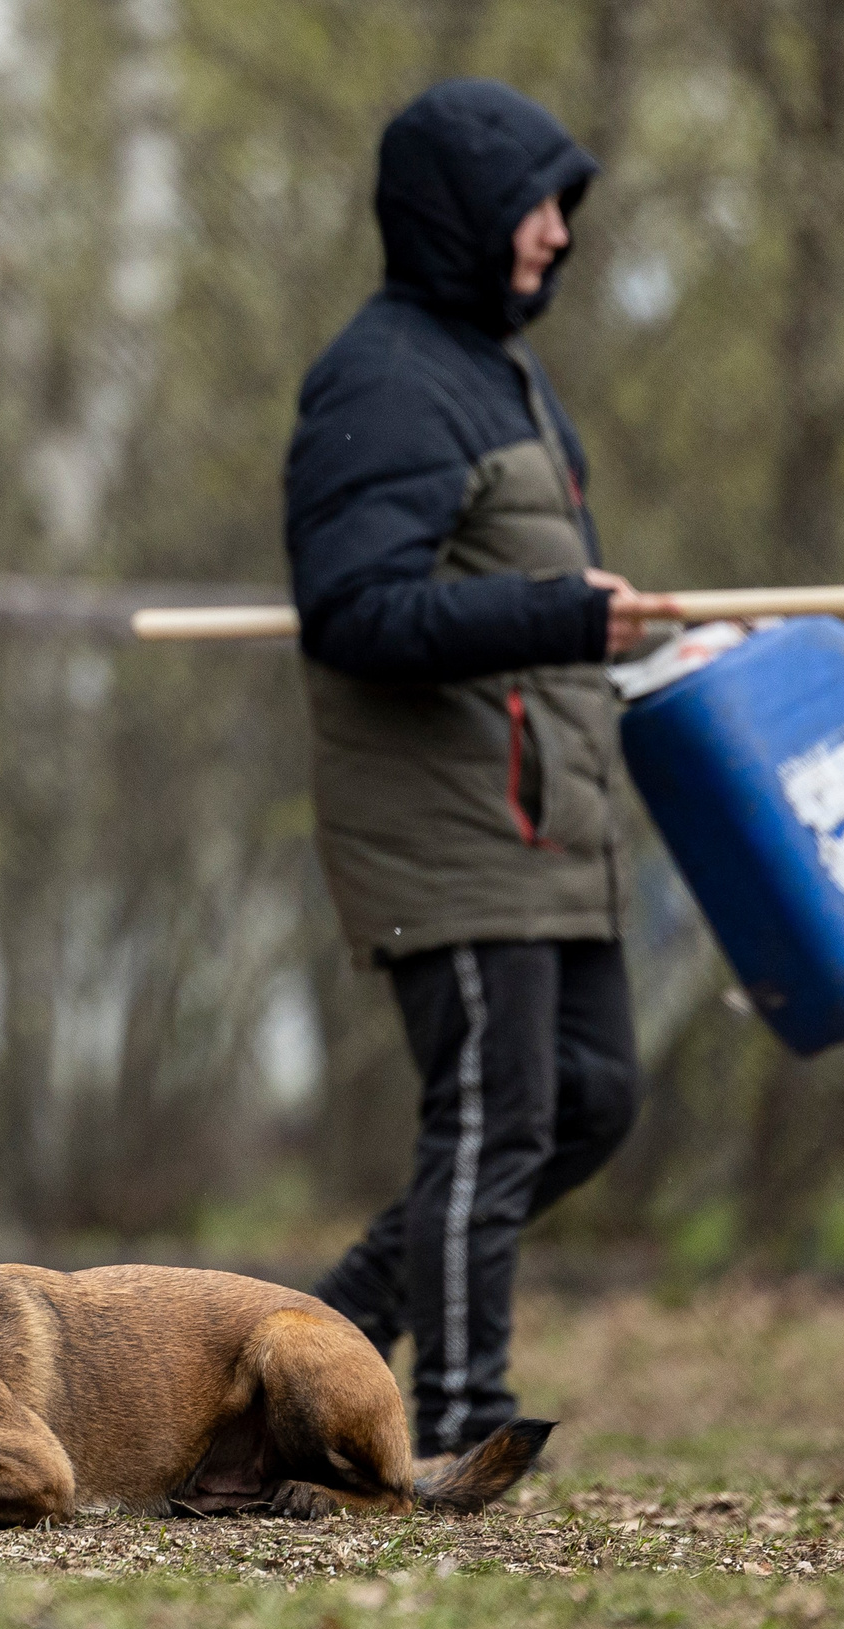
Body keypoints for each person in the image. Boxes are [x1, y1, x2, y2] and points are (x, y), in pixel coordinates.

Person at [283, 79, 676, 1459]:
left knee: (589, 1098)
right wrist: (561, 614)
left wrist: (614, 629)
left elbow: (511, 580)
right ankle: (457, 1418)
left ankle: (316, 1332)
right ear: (459, 217)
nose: (559, 233)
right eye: (538, 205)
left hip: (547, 818)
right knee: (495, 1113)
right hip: (448, 827)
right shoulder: (381, 379)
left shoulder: (496, 368)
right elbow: (356, 610)